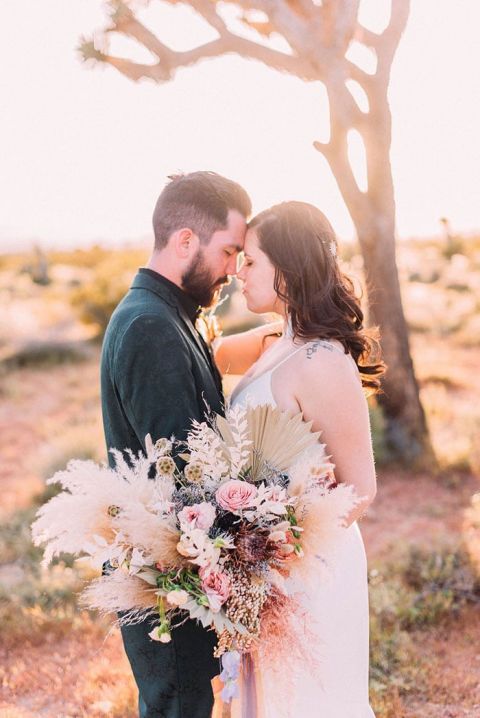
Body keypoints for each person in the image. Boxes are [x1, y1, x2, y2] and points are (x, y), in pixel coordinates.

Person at [214, 200, 384, 717]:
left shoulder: (322, 360)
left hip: (308, 573)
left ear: (286, 269)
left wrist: (277, 556)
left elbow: (360, 487)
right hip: (263, 570)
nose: (238, 271)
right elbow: (207, 351)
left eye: (250, 260)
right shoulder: (278, 340)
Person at [100, 171, 251, 718]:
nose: (235, 270)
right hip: (168, 581)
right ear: (186, 240)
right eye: (230, 251)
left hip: (178, 575)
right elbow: (186, 477)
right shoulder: (151, 325)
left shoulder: (170, 315)